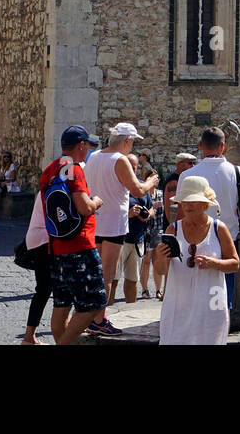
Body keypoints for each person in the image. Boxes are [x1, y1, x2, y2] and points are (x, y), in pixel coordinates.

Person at [85, 123, 157, 335]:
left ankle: (89, 315)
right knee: (106, 276)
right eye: (132, 142)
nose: (131, 147)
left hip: (94, 220)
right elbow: (137, 188)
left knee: (93, 273)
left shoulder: (94, 156)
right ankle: (99, 320)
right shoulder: (120, 160)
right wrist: (151, 182)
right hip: (113, 224)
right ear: (127, 141)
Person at [152, 175, 240, 345]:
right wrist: (161, 256)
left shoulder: (218, 229)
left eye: (192, 200)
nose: (187, 205)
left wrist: (214, 263)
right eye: (184, 201)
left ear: (204, 203)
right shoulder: (173, 229)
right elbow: (161, 270)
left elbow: (235, 264)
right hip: (178, 304)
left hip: (211, 303)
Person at [39, 125, 107, 345]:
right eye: (87, 145)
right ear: (81, 145)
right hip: (80, 246)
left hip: (56, 247)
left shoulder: (49, 169)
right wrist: (96, 201)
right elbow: (83, 207)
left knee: (61, 305)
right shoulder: (74, 168)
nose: (87, 149)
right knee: (95, 304)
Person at [180, 126, 240, 315]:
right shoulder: (238, 173)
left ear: (200, 146)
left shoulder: (187, 175)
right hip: (228, 242)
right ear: (223, 147)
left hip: (194, 241)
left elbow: (182, 214)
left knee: (192, 297)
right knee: (221, 302)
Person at [118, 154, 155, 305]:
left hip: (137, 240)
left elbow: (152, 208)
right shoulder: (117, 184)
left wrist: (146, 215)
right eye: (130, 166)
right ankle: (105, 316)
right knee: (112, 280)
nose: (133, 169)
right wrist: (129, 214)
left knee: (133, 280)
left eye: (135, 166)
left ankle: (129, 312)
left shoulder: (141, 186)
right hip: (120, 240)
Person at [22, 164, 52, 345]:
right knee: (57, 292)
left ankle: (29, 335)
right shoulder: (56, 192)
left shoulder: (44, 191)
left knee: (42, 291)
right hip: (46, 243)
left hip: (36, 241)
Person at [141, 169, 173, 300]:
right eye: (153, 177)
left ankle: (158, 290)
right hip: (146, 230)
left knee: (158, 260)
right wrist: (154, 205)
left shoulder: (161, 193)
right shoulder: (143, 194)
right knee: (146, 261)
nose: (156, 180)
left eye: (157, 177)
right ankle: (144, 289)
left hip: (159, 229)